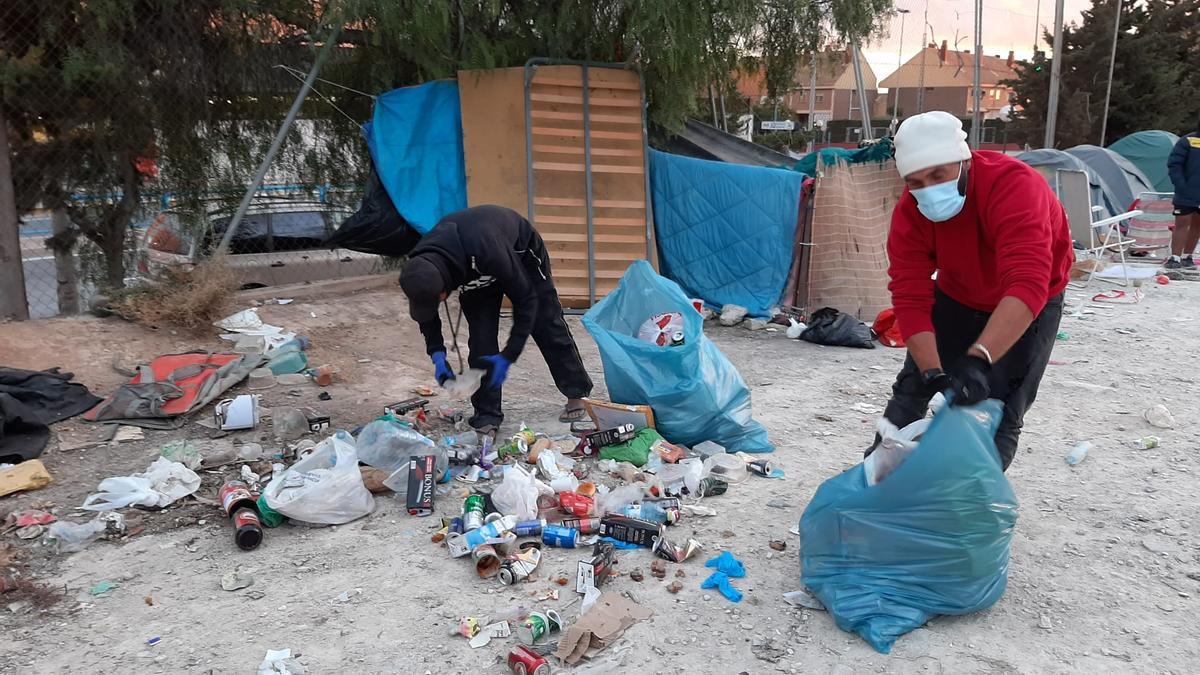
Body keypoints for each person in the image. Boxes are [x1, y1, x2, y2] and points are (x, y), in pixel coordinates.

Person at [867, 111, 1073, 471]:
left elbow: (1027, 282)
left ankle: (966, 507)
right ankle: (878, 484)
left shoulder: (1015, 187)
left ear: (964, 160)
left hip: (1030, 304)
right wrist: (933, 371)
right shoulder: (910, 213)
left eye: (937, 175)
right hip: (957, 295)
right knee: (911, 391)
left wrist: (980, 358)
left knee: (999, 408)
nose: (927, 189)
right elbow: (910, 296)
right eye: (915, 181)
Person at [399, 205, 592, 439]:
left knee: (545, 322)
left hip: (519, 255)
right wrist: (437, 355)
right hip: (475, 273)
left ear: (443, 287)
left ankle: (576, 392)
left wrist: (509, 354)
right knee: (481, 341)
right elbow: (426, 312)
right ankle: (487, 415)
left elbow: (526, 302)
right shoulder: (422, 264)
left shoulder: (486, 248)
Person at [1165, 117, 1200, 271]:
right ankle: (1175, 258)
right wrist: (1181, 185)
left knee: (1198, 226)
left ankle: (1188, 257)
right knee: (1181, 224)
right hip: (1186, 192)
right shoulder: (1188, 141)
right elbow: (1174, 164)